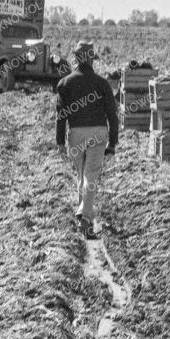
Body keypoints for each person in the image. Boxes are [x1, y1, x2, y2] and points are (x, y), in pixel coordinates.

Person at [54, 41, 121, 237]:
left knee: (81, 174)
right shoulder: (102, 84)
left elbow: (61, 116)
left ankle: (84, 213)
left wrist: (59, 141)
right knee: (90, 176)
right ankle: (85, 216)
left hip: (75, 134)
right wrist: (113, 142)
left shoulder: (64, 84)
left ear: (75, 58)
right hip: (98, 133)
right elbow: (112, 115)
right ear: (92, 59)